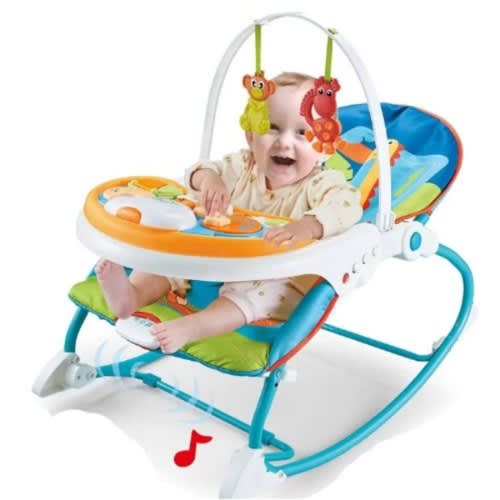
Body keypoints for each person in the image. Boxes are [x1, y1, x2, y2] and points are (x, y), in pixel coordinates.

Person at [96, 72, 362, 353]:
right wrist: (209, 180)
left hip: (270, 271)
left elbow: (347, 205)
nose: (284, 143)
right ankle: (129, 297)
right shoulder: (244, 166)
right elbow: (198, 170)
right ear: (250, 135)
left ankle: (193, 326)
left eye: (302, 134)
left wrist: (308, 226)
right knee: (169, 257)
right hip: (213, 254)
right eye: (271, 127)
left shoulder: (321, 183)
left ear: (324, 148)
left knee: (265, 294)